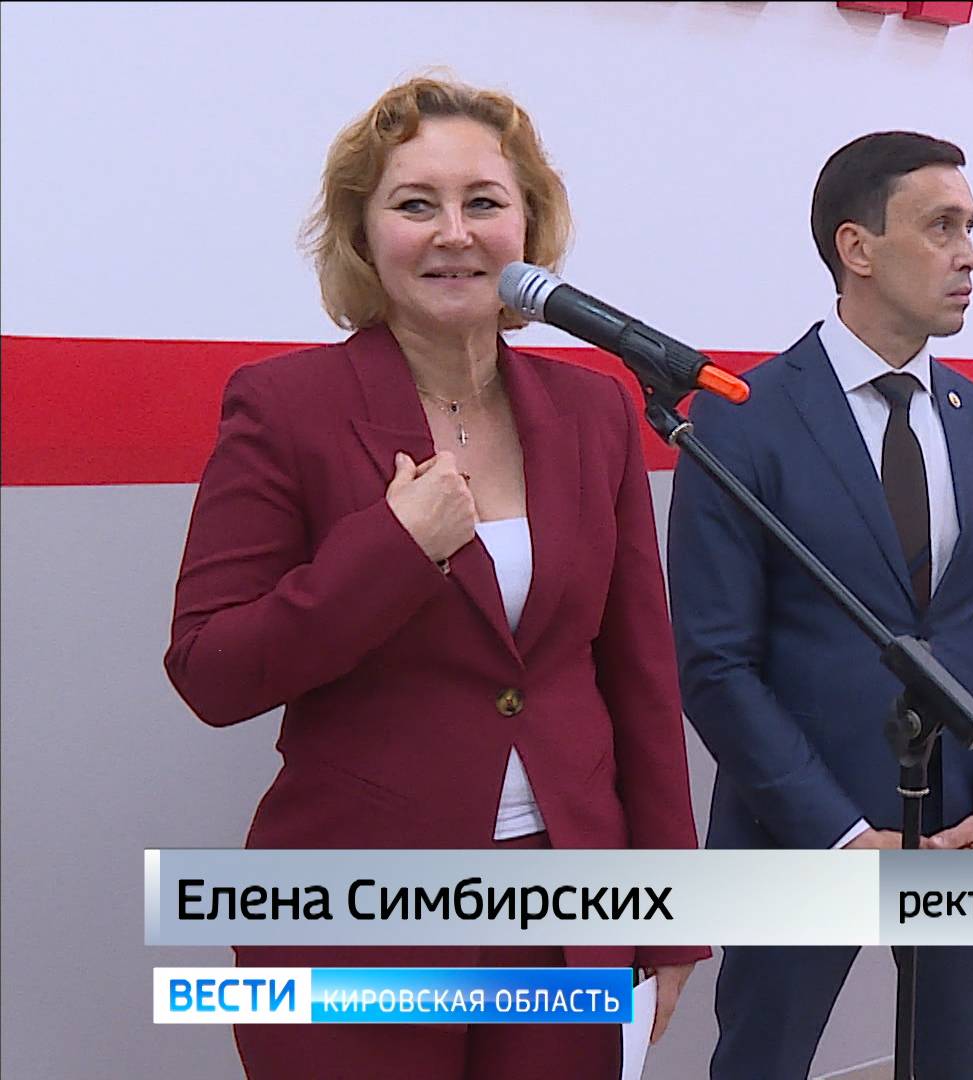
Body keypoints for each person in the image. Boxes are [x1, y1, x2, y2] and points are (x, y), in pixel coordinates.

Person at [163, 75, 707, 1078]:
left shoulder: (593, 412)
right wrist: (393, 548)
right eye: (416, 204)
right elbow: (211, 670)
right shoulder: (284, 407)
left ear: (527, 228)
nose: (454, 233)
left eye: (483, 202)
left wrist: (669, 913)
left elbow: (639, 677)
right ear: (362, 234)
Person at [666, 130, 973, 1080]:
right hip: (799, 830)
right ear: (857, 247)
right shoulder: (741, 417)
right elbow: (716, 662)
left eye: (971, 226)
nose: (970, 254)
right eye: (941, 227)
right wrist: (839, 833)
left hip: (964, 829)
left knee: (965, 1059)